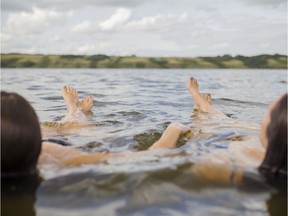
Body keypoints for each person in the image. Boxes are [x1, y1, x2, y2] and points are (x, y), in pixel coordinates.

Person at [1, 91, 191, 176]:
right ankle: (74, 113)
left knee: (61, 128)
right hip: (55, 146)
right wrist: (174, 128)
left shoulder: (46, 152)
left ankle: (74, 113)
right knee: (79, 131)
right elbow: (149, 156)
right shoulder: (49, 154)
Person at [186, 77, 287, 184]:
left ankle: (200, 114)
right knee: (242, 126)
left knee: (231, 126)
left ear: (273, 133)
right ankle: (203, 110)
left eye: (267, 115)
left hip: (221, 146)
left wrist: (172, 133)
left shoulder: (237, 167)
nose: (261, 122)